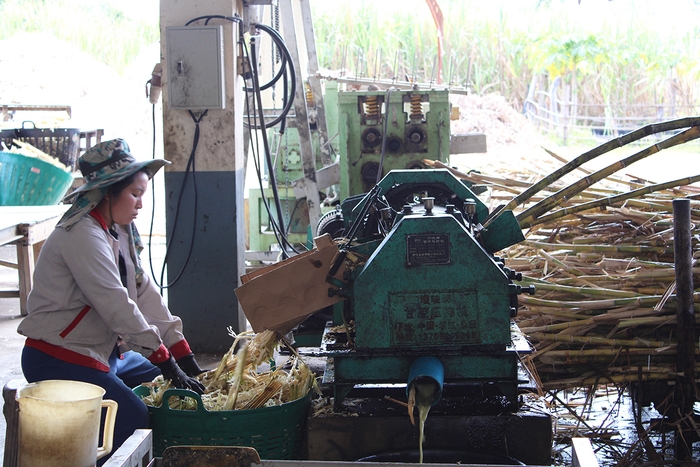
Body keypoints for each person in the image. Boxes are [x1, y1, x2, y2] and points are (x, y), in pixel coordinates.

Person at [17, 138, 206, 458]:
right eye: (135, 194)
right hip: (58, 355)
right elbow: (116, 303)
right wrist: (163, 358)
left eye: (142, 194)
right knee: (133, 417)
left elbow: (143, 291)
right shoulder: (81, 235)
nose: (140, 204)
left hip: (102, 352)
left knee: (165, 384)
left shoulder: (117, 232)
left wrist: (180, 352)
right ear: (108, 192)